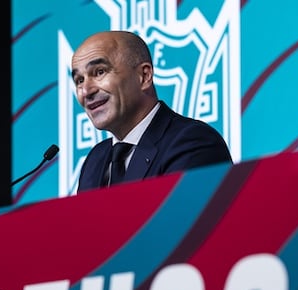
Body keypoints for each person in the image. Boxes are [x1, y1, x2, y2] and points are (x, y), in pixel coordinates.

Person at [70, 30, 233, 192]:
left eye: (99, 72)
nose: (85, 91)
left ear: (144, 75)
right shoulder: (95, 161)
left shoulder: (193, 142)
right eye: (79, 80)